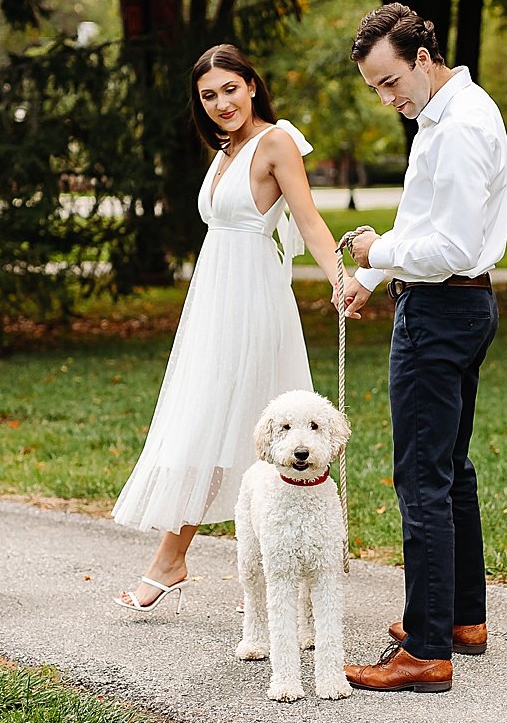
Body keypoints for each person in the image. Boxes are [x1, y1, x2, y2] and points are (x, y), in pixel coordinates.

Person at [112, 44, 349, 613]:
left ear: (251, 84)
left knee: (231, 424)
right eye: (208, 95)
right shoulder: (225, 151)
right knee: (205, 420)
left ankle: (177, 559)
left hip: (254, 303)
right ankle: (187, 561)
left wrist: (341, 279)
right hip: (214, 302)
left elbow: (310, 221)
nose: (221, 103)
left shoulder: (276, 142)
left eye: (229, 89)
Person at [338, 3, 507, 692]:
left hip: (443, 311)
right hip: (454, 304)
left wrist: (378, 247)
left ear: (422, 57)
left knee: (421, 477)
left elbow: (453, 245)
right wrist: (370, 276)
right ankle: (462, 617)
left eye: (390, 82)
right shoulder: (442, 116)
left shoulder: (461, 126)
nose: (388, 99)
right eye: (375, 88)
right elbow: (425, 224)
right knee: (449, 468)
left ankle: (427, 645)